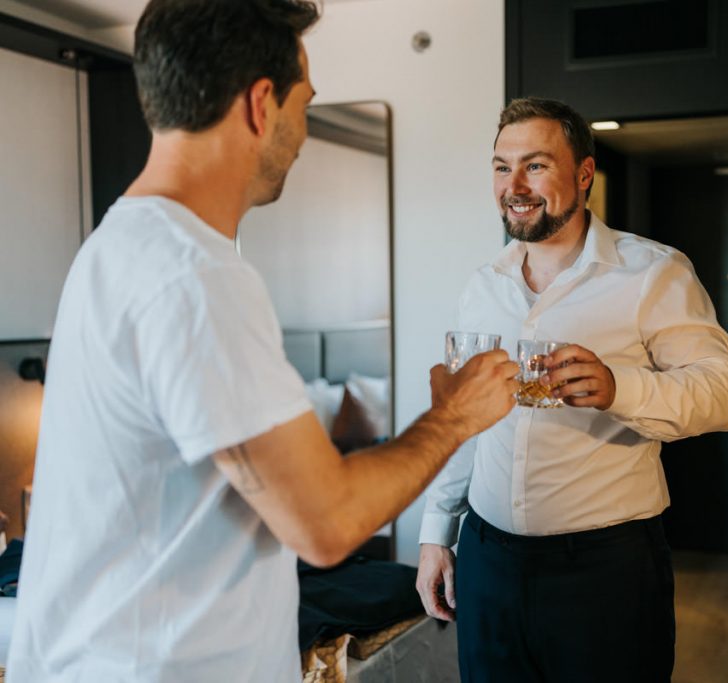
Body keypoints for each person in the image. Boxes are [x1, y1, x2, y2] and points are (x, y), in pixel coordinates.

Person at [6, 1, 518, 681]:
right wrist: (456, 414)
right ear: (259, 104)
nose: (304, 131)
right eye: (304, 102)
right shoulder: (193, 277)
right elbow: (327, 521)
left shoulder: (117, 246)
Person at [414, 97, 728, 682]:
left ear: (584, 174)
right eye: (500, 166)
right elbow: (466, 421)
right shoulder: (482, 285)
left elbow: (724, 395)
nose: (513, 185)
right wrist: (437, 533)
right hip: (488, 560)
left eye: (535, 165)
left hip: (607, 569)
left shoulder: (653, 272)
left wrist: (621, 388)